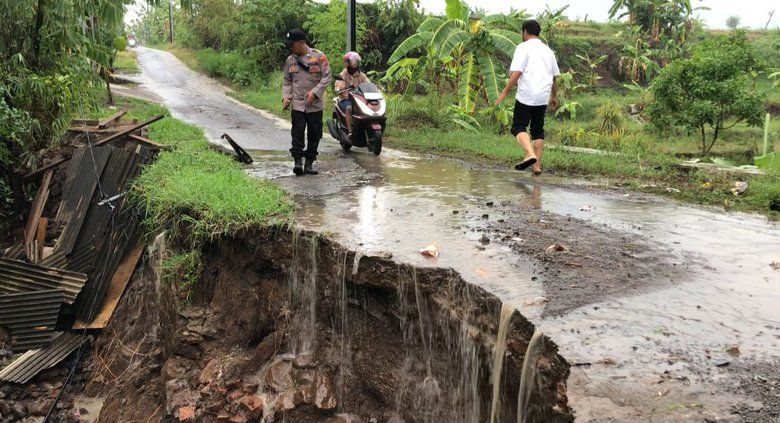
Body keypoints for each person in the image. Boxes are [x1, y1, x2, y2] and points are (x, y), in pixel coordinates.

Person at [495, 19, 560, 175]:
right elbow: (554, 77)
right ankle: (536, 166)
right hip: (542, 96)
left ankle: (530, 155)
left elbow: (516, 73)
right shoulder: (548, 50)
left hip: (527, 95)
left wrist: (503, 92)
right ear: (538, 33)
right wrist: (554, 96)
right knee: (537, 129)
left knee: (518, 126)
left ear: (524, 31)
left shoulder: (523, 48)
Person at [282, 28, 332, 176]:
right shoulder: (290, 60)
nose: (290, 48)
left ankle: (309, 163)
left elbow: (327, 77)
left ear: (302, 42)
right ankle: (297, 162)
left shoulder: (319, 57)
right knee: (297, 133)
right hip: (297, 104)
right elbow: (286, 80)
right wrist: (286, 97)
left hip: (314, 105)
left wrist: (315, 92)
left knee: (314, 134)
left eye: (293, 44)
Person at [334, 51, 370, 141]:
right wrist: (342, 87)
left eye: (355, 61)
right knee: (349, 108)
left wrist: (374, 88)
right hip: (346, 98)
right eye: (351, 61)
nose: (353, 63)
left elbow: (368, 83)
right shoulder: (343, 74)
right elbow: (338, 85)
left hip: (359, 99)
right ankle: (350, 132)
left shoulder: (361, 75)